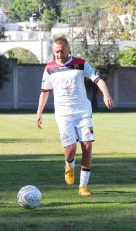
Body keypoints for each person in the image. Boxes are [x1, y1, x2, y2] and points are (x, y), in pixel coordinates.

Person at [35, 37, 114, 196]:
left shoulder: (81, 63)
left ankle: (83, 186)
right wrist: (39, 113)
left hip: (83, 111)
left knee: (87, 145)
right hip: (63, 114)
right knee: (71, 148)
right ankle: (69, 165)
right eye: (56, 51)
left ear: (68, 49)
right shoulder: (50, 68)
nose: (59, 54)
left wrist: (106, 94)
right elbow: (44, 92)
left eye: (62, 51)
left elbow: (98, 80)